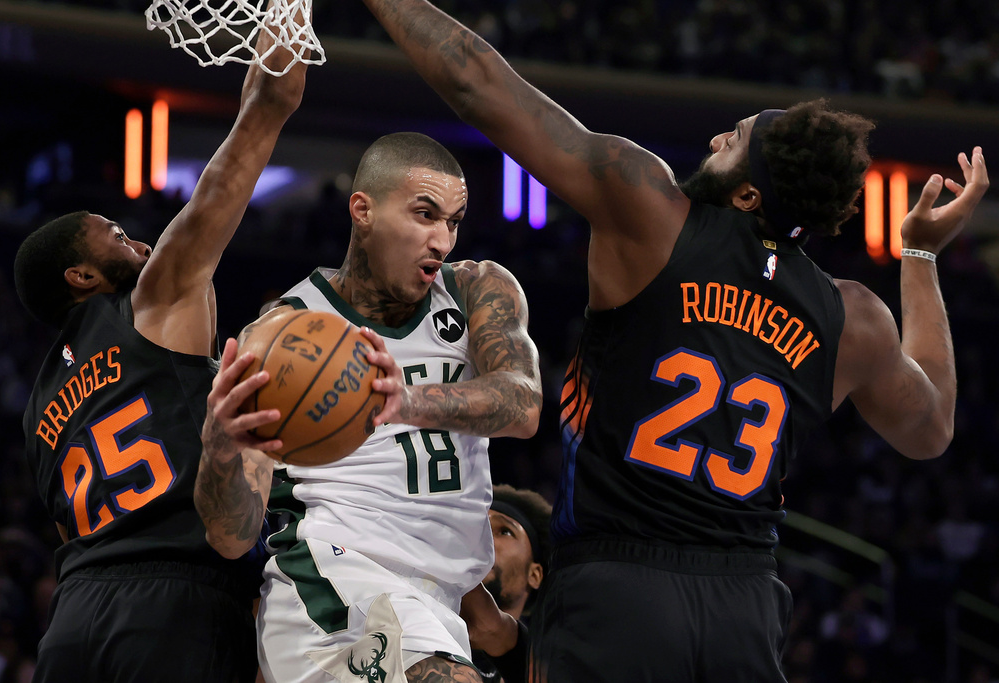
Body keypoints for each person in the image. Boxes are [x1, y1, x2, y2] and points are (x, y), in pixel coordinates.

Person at [352, 1, 991, 680]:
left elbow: (477, 83)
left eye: (734, 137)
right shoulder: (851, 316)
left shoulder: (651, 210)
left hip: (619, 586)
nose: (717, 136)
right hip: (744, 605)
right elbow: (933, 428)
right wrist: (919, 258)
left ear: (747, 195)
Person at [12, 13, 310, 682]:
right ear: (82, 277)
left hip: (73, 621)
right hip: (172, 606)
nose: (141, 243)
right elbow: (251, 135)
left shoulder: (38, 412)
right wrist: (282, 51)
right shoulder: (152, 300)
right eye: (116, 234)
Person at [194, 131, 543, 683]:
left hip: (437, 605)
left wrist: (405, 401)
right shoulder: (283, 331)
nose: (442, 240)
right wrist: (219, 447)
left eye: (452, 221)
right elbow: (231, 536)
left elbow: (523, 404)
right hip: (333, 579)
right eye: (424, 214)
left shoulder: (478, 288)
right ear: (364, 210)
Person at [471, 484, 552, 683]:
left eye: (505, 531)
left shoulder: (554, 666)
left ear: (535, 574)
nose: (483, 536)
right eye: (477, 526)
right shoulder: (409, 628)